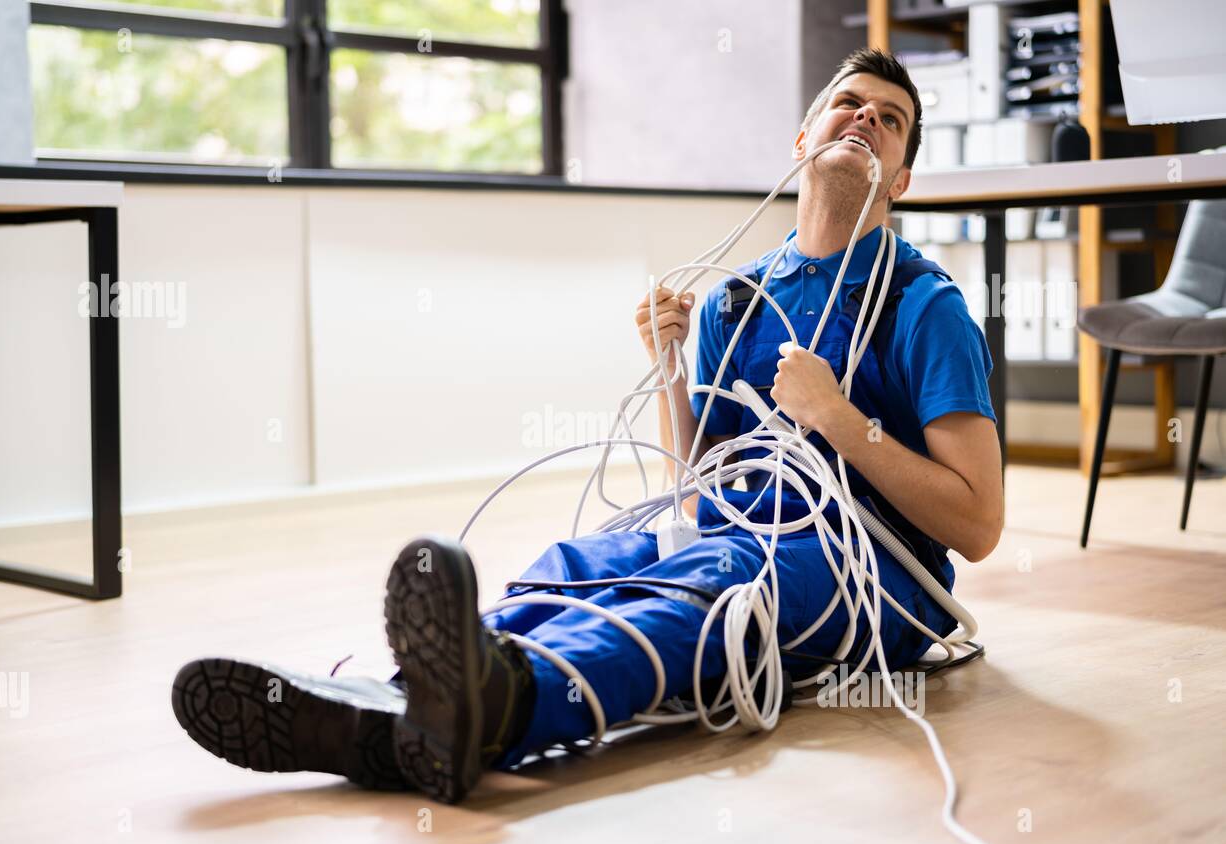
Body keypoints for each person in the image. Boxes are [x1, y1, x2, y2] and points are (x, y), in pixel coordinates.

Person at [172, 48, 1003, 805]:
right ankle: (397, 700)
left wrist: (842, 422)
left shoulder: (925, 308)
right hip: (746, 530)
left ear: (900, 181)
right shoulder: (736, 300)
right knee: (584, 561)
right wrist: (672, 366)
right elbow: (700, 488)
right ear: (802, 141)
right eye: (848, 104)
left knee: (712, 591)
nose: (864, 119)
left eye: (889, 121)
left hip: (874, 574)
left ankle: (504, 707)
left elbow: (978, 524)